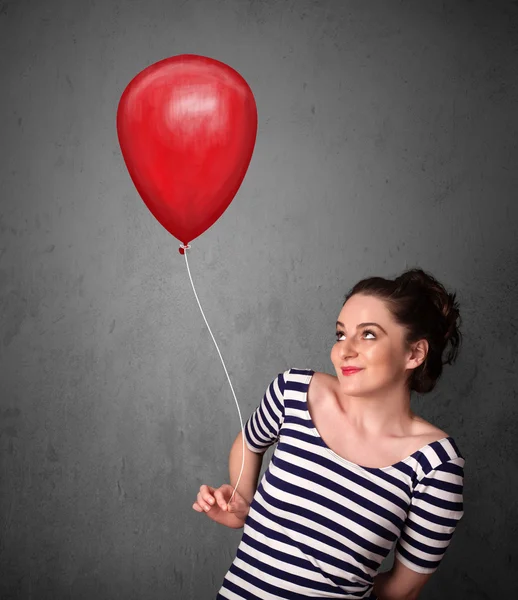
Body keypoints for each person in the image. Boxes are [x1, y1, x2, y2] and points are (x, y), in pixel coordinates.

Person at [193, 268, 465, 600]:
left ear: (414, 354)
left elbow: (402, 590)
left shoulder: (436, 464)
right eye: (340, 334)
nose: (343, 350)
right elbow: (249, 443)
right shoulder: (293, 392)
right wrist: (241, 501)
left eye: (367, 335)